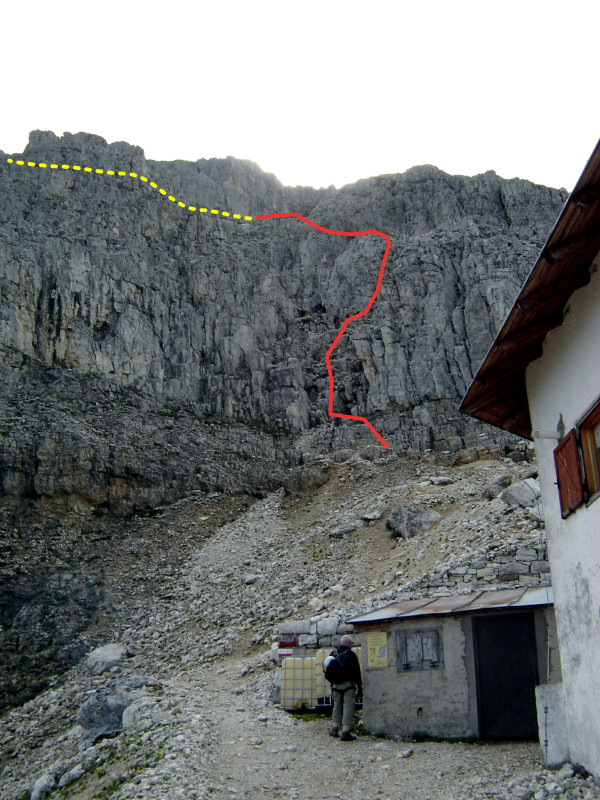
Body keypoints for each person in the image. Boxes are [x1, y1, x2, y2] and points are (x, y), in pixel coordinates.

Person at [329, 634, 362, 741]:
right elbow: (357, 673)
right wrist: (360, 688)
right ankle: (346, 731)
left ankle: (334, 728)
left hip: (335, 685)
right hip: (348, 685)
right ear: (348, 643)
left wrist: (332, 683)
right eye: (351, 643)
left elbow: (327, 669)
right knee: (348, 706)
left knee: (337, 706)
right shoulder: (351, 655)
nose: (352, 645)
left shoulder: (332, 654)